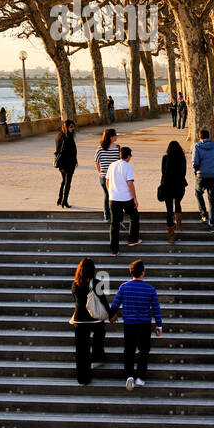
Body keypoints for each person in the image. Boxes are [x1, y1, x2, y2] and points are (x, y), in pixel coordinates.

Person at [109, 259, 162, 390]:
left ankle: (129, 376)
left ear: (130, 272)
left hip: (129, 324)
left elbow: (115, 304)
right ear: (143, 273)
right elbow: (156, 309)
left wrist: (111, 315)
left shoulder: (124, 287)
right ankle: (140, 377)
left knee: (129, 349)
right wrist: (159, 325)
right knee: (144, 350)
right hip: (144, 323)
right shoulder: (150, 289)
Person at [70, 258, 107, 384]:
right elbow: (103, 301)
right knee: (100, 332)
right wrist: (111, 314)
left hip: (79, 320)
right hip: (94, 319)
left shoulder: (75, 284)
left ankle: (83, 378)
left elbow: (75, 298)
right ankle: (97, 357)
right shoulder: (97, 283)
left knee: (81, 351)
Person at [106, 146, 140, 255]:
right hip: (125, 198)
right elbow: (130, 183)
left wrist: (110, 192)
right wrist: (135, 198)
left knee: (114, 224)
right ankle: (132, 239)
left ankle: (114, 250)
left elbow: (107, 181)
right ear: (128, 156)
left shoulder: (112, 165)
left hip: (113, 198)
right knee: (134, 216)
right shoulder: (128, 166)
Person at [192, 128, 214, 231]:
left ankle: (203, 214)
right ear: (209, 136)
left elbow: (195, 162)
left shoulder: (197, 146)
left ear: (199, 137)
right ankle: (213, 224)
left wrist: (196, 172)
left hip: (201, 175)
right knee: (212, 200)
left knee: (198, 193)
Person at [158, 140, 187, 244]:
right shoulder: (182, 158)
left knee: (169, 210)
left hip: (168, 186)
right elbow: (184, 172)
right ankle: (179, 224)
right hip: (179, 185)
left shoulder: (165, 158)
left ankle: (172, 236)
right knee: (178, 203)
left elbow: (163, 172)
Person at [94, 129, 121, 223]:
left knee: (107, 195)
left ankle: (106, 216)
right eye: (115, 135)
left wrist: (100, 172)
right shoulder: (117, 148)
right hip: (115, 177)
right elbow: (120, 162)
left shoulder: (99, 149)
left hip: (103, 176)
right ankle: (118, 217)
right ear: (111, 137)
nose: (117, 137)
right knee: (116, 196)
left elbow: (97, 162)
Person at [54, 120, 78, 208]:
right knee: (68, 182)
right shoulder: (68, 137)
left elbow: (58, 150)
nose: (73, 128)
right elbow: (71, 151)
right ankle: (65, 201)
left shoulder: (58, 136)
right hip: (68, 163)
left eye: (73, 126)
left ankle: (60, 199)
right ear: (66, 127)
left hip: (61, 163)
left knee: (64, 181)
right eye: (71, 127)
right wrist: (74, 161)